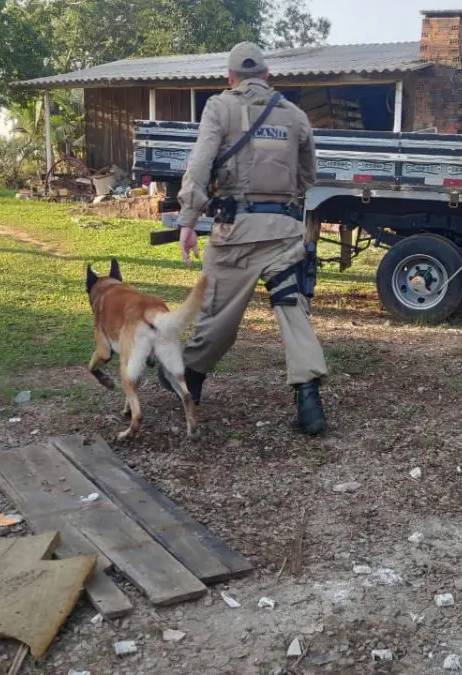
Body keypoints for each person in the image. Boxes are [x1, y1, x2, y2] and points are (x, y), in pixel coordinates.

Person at [157, 41, 329, 436]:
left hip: (235, 233)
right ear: (268, 76)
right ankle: (309, 401)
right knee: (291, 309)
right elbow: (309, 176)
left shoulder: (219, 107)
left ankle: (190, 380)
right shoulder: (296, 116)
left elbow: (199, 165)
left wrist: (187, 220)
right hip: (284, 233)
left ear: (230, 77)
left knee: (218, 314)